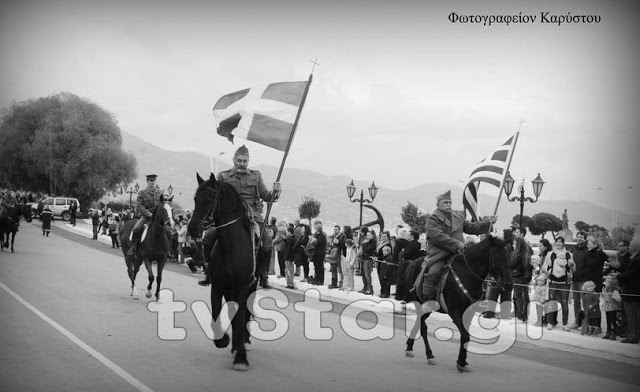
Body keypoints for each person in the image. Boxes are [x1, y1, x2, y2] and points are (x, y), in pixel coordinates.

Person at [200, 145, 281, 287]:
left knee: (266, 242)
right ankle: (208, 271)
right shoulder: (223, 176)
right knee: (208, 238)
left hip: (252, 216)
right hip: (229, 217)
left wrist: (275, 192)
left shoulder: (256, 176)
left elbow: (266, 195)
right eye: (239, 160)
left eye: (245, 161)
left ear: (248, 162)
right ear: (234, 160)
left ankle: (264, 275)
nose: (242, 164)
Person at [420, 190, 496, 307]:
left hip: (458, 253)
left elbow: (472, 228)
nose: (449, 205)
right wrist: (456, 244)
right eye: (445, 202)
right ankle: (426, 299)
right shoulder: (432, 219)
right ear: (438, 204)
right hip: (439, 253)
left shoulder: (457, 217)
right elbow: (438, 236)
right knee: (433, 272)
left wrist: (487, 222)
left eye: (450, 202)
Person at [574, 236, 608, 334]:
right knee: (586, 304)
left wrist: (606, 272)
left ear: (595, 244)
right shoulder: (588, 253)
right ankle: (588, 325)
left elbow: (592, 267)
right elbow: (586, 267)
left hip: (596, 282)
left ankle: (597, 327)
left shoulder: (601, 254)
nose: (587, 245)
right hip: (588, 282)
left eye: (589, 243)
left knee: (595, 305)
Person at [541, 236, 575, 331]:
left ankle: (565, 324)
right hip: (553, 281)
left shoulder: (569, 254)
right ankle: (549, 322)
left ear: (563, 243)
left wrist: (571, 264)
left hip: (564, 282)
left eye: (561, 242)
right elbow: (545, 267)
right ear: (555, 243)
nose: (559, 243)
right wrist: (547, 271)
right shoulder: (550, 254)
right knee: (551, 302)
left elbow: (573, 269)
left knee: (564, 303)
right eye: (557, 241)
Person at [128, 174, 163, 256]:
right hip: (145, 217)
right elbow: (139, 206)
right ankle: (133, 248)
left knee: (167, 231)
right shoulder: (142, 193)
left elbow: (162, 205)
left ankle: (167, 250)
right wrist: (149, 214)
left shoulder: (160, 193)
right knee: (136, 229)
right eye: (150, 181)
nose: (152, 182)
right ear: (147, 181)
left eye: (153, 181)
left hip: (157, 218)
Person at [616, 239, 640, 344]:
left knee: (632, 315)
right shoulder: (634, 259)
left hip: (632, 291)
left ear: (635, 248)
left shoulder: (637, 260)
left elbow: (630, 274)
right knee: (632, 314)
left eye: (630, 246)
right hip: (632, 290)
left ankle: (633, 336)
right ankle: (633, 334)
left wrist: (618, 276)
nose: (629, 247)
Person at [569, 231, 590, 329]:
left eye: (581, 237)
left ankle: (586, 322)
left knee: (585, 302)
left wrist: (581, 273)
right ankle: (577, 321)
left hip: (583, 280)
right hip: (574, 279)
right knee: (576, 302)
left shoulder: (588, 250)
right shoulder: (573, 250)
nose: (579, 238)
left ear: (585, 238)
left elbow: (589, 266)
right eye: (578, 237)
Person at [511, 236, 532, 322]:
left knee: (519, 296)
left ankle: (520, 315)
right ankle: (524, 315)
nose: (514, 245)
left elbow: (511, 265)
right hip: (524, 278)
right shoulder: (526, 253)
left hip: (517, 277)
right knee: (524, 296)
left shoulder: (518, 254)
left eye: (515, 243)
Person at [600, 274, 622, 340]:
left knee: (613, 321)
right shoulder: (606, 290)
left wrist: (612, 296)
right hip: (607, 308)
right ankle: (608, 332)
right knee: (608, 321)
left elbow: (618, 299)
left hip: (612, 308)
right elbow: (604, 298)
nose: (606, 284)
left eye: (608, 282)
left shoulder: (614, 291)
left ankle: (614, 333)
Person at [359, 230, 377, 295]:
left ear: (372, 236)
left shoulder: (373, 242)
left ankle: (369, 288)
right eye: (367, 235)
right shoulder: (366, 241)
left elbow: (368, 249)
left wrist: (364, 244)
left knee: (367, 274)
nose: (367, 236)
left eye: (369, 235)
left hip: (368, 259)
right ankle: (365, 287)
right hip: (363, 258)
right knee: (363, 274)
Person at [327, 225, 344, 289]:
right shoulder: (333, 236)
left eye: (336, 229)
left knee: (337, 270)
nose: (335, 230)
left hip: (337, 254)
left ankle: (337, 283)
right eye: (334, 229)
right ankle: (333, 283)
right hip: (333, 252)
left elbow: (340, 245)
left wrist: (338, 243)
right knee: (332, 270)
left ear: (339, 230)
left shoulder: (341, 236)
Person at [310, 220, 327, 286]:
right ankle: (317, 279)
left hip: (320, 253)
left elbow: (319, 242)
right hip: (316, 253)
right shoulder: (316, 235)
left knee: (320, 267)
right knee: (316, 267)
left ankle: (320, 280)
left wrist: (314, 240)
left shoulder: (322, 235)